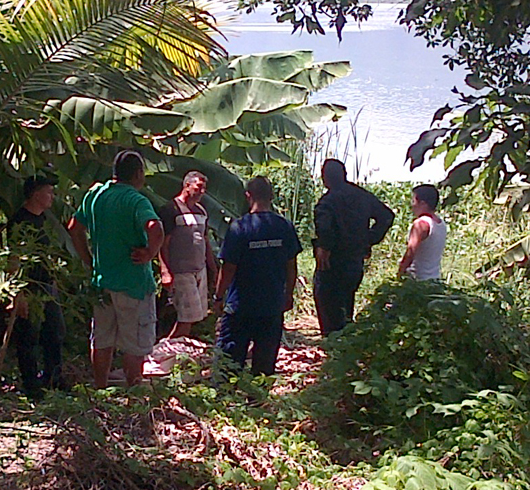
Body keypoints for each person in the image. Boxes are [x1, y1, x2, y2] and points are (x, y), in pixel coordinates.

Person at [68, 150, 164, 387]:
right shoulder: (135, 200)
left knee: (102, 340)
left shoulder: (95, 195)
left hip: (103, 282)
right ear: (138, 174)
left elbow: (74, 227)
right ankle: (134, 394)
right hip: (133, 283)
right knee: (134, 344)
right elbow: (155, 227)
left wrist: (88, 259)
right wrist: (150, 253)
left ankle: (100, 388)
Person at [213, 176, 302, 376]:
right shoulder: (284, 226)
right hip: (271, 305)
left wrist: (218, 297)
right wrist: (288, 295)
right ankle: (258, 401)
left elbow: (228, 268)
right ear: (271, 196)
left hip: (240, 307)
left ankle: (225, 402)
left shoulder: (239, 228)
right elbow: (291, 266)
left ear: (248, 196)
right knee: (265, 362)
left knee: (229, 362)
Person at [313, 159, 395, 336]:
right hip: (354, 260)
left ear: (325, 178)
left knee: (327, 305)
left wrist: (324, 247)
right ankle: (344, 342)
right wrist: (368, 239)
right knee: (345, 302)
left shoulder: (327, 202)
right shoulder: (362, 196)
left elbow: (325, 228)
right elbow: (386, 216)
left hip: (332, 261)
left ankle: (332, 345)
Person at [8, 174, 66, 395]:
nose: (52, 196)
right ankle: (31, 385)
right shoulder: (20, 221)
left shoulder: (44, 219)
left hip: (46, 284)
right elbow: (13, 257)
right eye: (48, 191)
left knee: (55, 332)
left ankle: (53, 378)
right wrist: (17, 292)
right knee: (28, 336)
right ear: (35, 194)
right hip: (29, 285)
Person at [158, 171, 217, 338]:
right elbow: (163, 243)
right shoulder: (171, 210)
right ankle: (165, 350)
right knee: (187, 317)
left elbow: (205, 241)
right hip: (180, 271)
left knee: (194, 316)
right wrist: (165, 270)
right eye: (198, 187)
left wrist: (212, 267)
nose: (202, 192)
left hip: (199, 270)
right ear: (187, 185)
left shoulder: (201, 212)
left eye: (204, 188)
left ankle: (177, 352)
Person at [398, 184, 447, 280]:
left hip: (417, 280)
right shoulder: (441, 223)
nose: (412, 206)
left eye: (414, 201)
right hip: (434, 278)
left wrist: (400, 273)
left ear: (423, 203)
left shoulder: (421, 224)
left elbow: (410, 252)